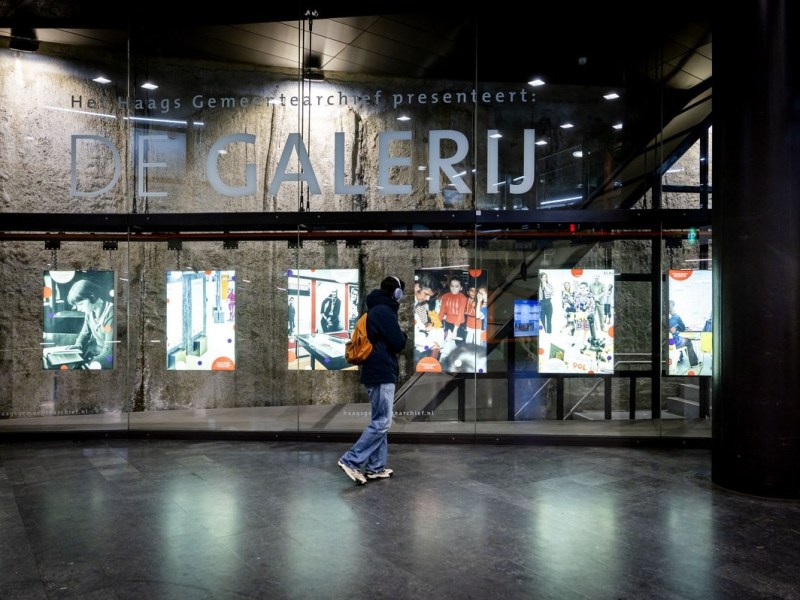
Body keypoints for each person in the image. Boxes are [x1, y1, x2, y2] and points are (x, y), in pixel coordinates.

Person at [338, 276, 407, 485]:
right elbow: (398, 343)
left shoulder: (375, 310)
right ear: (396, 293)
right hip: (381, 372)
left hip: (375, 371)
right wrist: (403, 335)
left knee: (380, 420)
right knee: (382, 422)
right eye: (401, 292)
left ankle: (376, 467)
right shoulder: (384, 312)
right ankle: (351, 460)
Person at [66, 278, 114, 369]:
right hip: (95, 354)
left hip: (108, 358)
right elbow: (84, 333)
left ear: (92, 296)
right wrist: (78, 345)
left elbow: (109, 352)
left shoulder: (111, 313)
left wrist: (90, 365)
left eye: (80, 304)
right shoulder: (90, 312)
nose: (78, 309)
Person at [413, 275, 443, 364]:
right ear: (417, 287)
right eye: (426, 294)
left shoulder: (423, 304)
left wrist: (428, 325)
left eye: (430, 296)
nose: (428, 298)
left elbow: (424, 325)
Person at [438, 275, 468, 344]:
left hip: (459, 324)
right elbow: (441, 312)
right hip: (448, 323)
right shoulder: (445, 296)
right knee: (447, 343)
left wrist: (455, 330)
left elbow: (460, 315)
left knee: (459, 346)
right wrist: (436, 324)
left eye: (456, 286)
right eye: (452, 286)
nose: (453, 288)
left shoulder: (463, 298)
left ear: (461, 288)